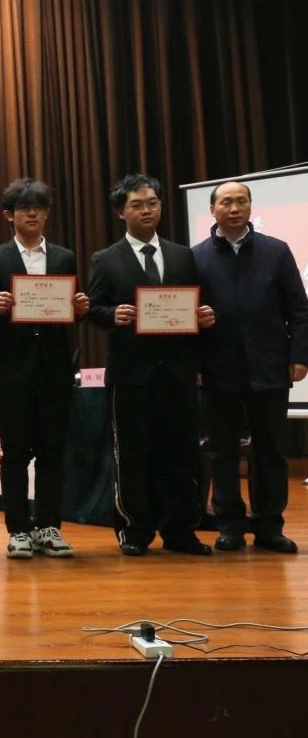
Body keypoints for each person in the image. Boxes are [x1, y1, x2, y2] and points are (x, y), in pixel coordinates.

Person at [87, 173, 215, 556]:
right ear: (121, 212)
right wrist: (112, 315)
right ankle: (135, 530)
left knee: (181, 452)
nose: (147, 210)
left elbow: (197, 304)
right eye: (137, 205)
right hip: (131, 375)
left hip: (178, 371)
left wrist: (204, 316)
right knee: (132, 453)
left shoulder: (183, 255)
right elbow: (92, 308)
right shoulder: (106, 259)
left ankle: (181, 530)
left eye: (153, 203)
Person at [193, 180, 308, 553]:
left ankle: (269, 527)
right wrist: (195, 362)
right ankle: (230, 526)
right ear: (212, 210)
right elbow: (186, 317)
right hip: (217, 370)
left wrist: (300, 356)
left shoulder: (276, 251)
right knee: (222, 452)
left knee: (270, 451)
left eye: (241, 201)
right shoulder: (195, 258)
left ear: (250, 206)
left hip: (269, 367)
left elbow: (299, 310)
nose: (234, 208)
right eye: (226, 202)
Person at [0, 179, 88, 558]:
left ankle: (49, 526)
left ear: (46, 213)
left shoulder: (64, 257)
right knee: (15, 453)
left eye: (38, 207)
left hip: (55, 368)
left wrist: (79, 307)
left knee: (53, 451)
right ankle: (18, 530)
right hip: (13, 370)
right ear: (9, 215)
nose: (32, 214)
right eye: (24, 208)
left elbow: (71, 307)